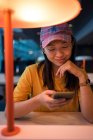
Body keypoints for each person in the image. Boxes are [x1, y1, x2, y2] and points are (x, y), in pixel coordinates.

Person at [12, 23, 93, 122]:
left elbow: (91, 117)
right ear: (43, 50)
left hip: (70, 130)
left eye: (65, 47)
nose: (59, 54)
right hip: (39, 129)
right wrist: (38, 100)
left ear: (71, 45)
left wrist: (81, 75)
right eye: (51, 49)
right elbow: (10, 112)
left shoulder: (79, 72)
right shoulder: (31, 71)